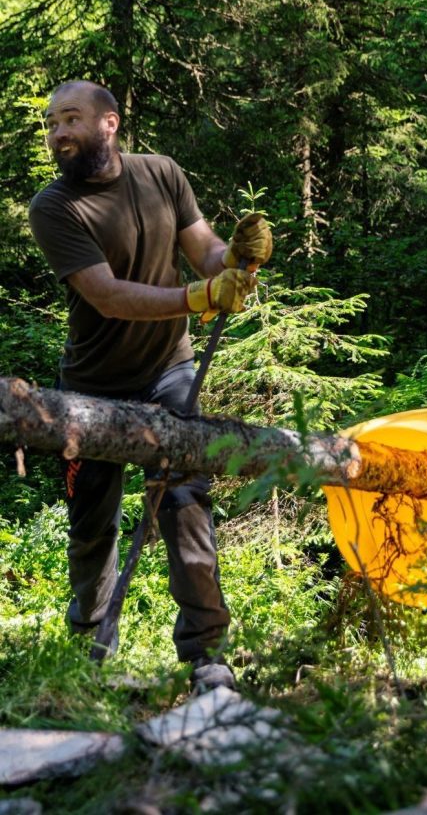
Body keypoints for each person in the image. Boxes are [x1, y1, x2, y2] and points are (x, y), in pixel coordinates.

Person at [28, 79, 272, 691]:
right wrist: (201, 296)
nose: (58, 133)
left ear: (109, 123)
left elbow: (204, 250)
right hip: (90, 388)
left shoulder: (161, 173)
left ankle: (207, 655)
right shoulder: (54, 207)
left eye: (70, 119)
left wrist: (233, 263)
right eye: (52, 124)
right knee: (92, 525)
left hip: (168, 369)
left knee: (186, 503)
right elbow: (108, 296)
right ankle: (88, 648)